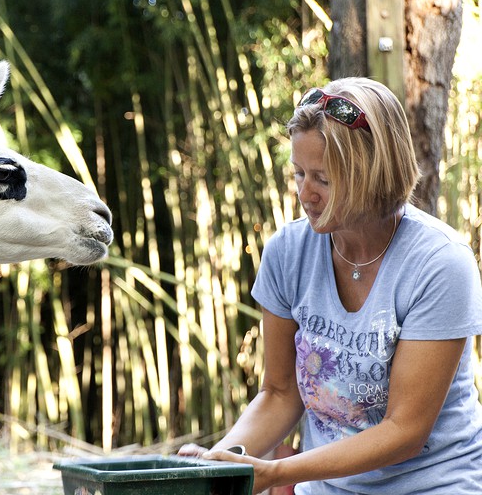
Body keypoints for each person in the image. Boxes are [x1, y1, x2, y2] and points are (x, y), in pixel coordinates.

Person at [179, 77, 482, 494]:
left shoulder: (440, 264)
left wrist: (278, 474)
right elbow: (281, 393)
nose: (305, 194)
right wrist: (223, 461)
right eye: (299, 173)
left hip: (434, 485)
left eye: (322, 178)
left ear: (372, 172)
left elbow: (405, 430)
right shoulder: (287, 252)